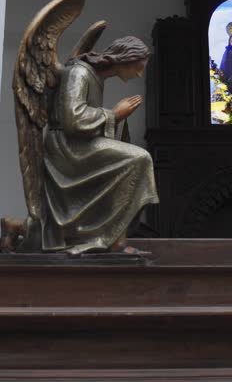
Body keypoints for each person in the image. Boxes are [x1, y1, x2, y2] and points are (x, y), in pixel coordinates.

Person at [42, 36, 159, 255]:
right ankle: (113, 241)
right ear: (126, 59)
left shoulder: (96, 76)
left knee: (136, 161)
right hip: (67, 149)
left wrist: (114, 118)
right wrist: (114, 114)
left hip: (80, 143)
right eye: (138, 67)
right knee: (139, 159)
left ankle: (115, 239)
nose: (139, 74)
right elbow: (72, 119)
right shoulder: (79, 73)